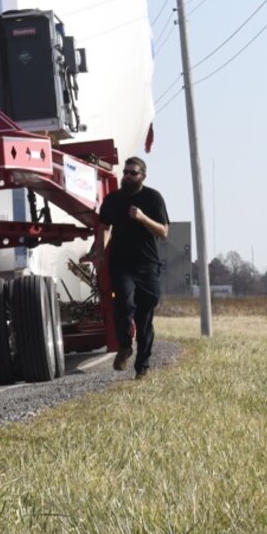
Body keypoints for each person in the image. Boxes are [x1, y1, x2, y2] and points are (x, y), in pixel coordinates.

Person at [94, 155, 170, 378]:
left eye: (132, 173)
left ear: (142, 176)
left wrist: (143, 218)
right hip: (121, 264)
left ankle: (143, 366)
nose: (127, 177)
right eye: (125, 173)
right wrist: (99, 252)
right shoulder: (113, 200)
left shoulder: (153, 198)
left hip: (147, 265)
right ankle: (125, 345)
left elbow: (164, 232)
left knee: (145, 316)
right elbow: (105, 227)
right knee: (124, 306)